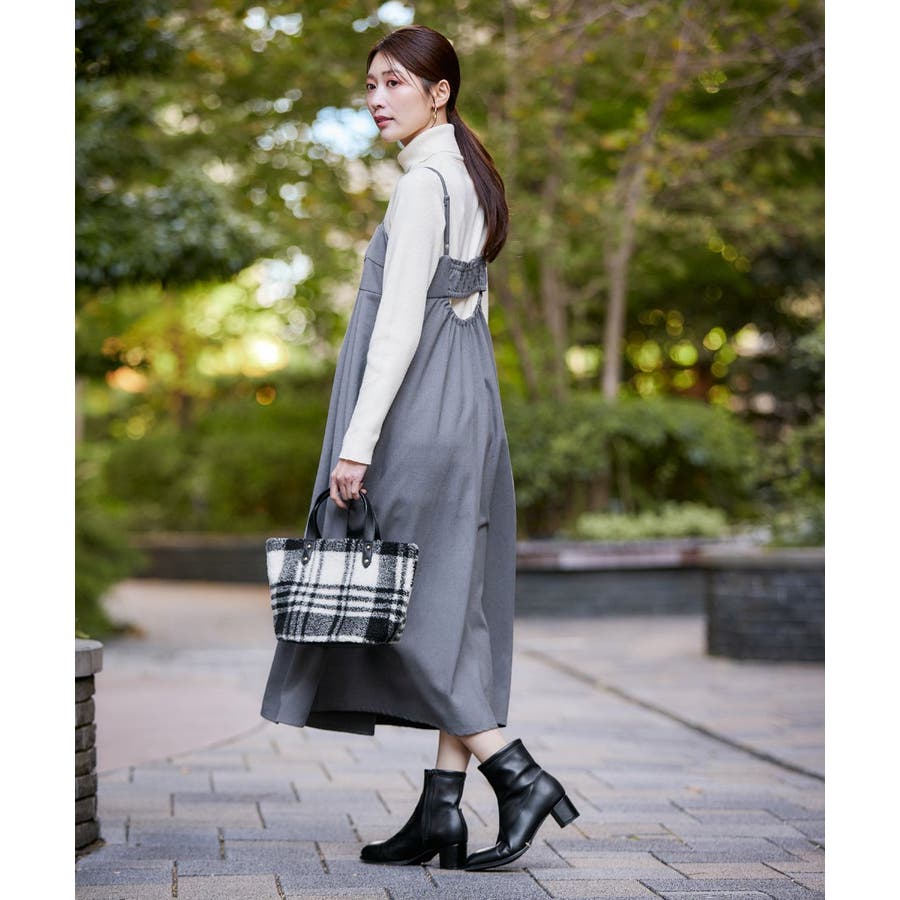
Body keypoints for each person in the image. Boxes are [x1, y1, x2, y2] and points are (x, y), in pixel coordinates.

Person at [260, 24, 579, 871]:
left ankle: (518, 775)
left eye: (395, 82)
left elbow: (399, 327)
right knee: (449, 604)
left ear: (440, 93)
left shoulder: (422, 186)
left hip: (419, 413)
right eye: (371, 83)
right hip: (467, 403)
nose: (376, 98)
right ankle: (441, 811)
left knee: (409, 609)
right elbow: (466, 310)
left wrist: (356, 445)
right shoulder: (468, 176)